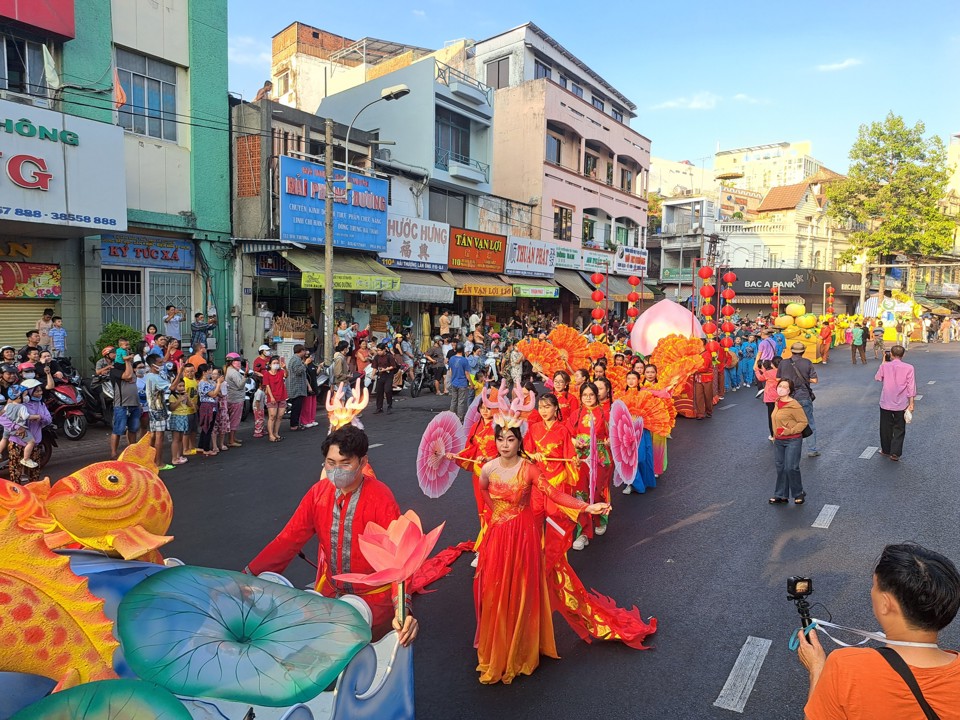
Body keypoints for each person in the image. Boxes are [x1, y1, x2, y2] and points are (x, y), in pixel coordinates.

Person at [474, 419, 653, 684]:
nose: (504, 445)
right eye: (500, 439)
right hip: (499, 537)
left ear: (519, 442)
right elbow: (485, 496)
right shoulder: (487, 469)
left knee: (522, 588)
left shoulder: (530, 470)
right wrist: (503, 516)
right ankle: (499, 644)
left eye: (510, 439)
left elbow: (556, 495)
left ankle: (521, 648)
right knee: (496, 588)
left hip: (524, 539)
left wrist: (586, 508)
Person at [245, 425, 418, 645]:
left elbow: (399, 559)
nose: (336, 470)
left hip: (375, 601)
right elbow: (288, 540)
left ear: (363, 463)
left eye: (345, 464)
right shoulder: (318, 493)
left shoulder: (381, 497)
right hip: (332, 596)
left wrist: (402, 610)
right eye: (331, 463)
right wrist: (247, 577)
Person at [797, 543, 960, 719]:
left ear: (885, 604)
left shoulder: (846, 668)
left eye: (874, 585)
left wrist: (817, 670)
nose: (871, 591)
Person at [568, 382, 611, 550]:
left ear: (597, 396)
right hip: (580, 458)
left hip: (599, 457)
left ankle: (601, 519)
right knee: (581, 493)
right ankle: (583, 532)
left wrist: (608, 440)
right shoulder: (575, 414)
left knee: (597, 490)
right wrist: (574, 442)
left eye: (591, 395)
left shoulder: (605, 413)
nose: (588, 398)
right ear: (580, 397)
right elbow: (568, 434)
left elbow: (612, 434)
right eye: (584, 395)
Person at [1, 379, 50, 483]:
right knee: (15, 473)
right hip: (16, 442)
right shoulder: (16, 404)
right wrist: (17, 427)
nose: (40, 393)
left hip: (34, 442)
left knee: (35, 472)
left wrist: (41, 417)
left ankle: (33, 495)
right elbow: (2, 418)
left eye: (40, 391)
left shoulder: (41, 405)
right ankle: (18, 497)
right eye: (37, 391)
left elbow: (49, 419)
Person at [777, 341, 820, 458]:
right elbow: (815, 380)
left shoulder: (783, 362)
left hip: (788, 397)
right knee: (808, 422)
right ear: (803, 351)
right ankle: (812, 449)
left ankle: (789, 448)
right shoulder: (807, 362)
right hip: (803, 396)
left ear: (791, 351)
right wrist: (805, 380)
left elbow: (778, 378)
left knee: (787, 423)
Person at [769, 378, 808, 505]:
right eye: (780, 386)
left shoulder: (794, 405)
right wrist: (775, 435)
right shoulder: (777, 402)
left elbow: (803, 422)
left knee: (791, 467)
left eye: (785, 387)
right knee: (781, 467)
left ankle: (799, 493)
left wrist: (789, 431)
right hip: (779, 440)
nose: (781, 389)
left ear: (790, 390)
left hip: (793, 440)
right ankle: (781, 495)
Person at [874, 345, 916, 462]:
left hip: (886, 401)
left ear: (890, 354)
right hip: (901, 403)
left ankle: (886, 449)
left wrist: (883, 362)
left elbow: (878, 378)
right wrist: (911, 403)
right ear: (903, 355)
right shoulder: (909, 368)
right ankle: (895, 453)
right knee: (899, 428)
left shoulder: (885, 366)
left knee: (885, 427)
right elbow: (911, 386)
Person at [144, 355, 176, 471]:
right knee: (159, 436)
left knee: (153, 436)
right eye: (160, 362)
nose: (162, 364)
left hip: (152, 409)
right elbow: (172, 387)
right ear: (153, 365)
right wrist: (180, 372)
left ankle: (150, 460)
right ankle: (158, 462)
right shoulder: (155, 378)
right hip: (158, 409)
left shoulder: (149, 376)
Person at [109, 351, 141, 460]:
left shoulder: (133, 369)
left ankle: (132, 452)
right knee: (118, 429)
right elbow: (127, 376)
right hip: (122, 405)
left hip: (134, 404)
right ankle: (114, 453)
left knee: (133, 429)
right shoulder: (114, 371)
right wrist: (127, 361)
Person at [0, 384, 39, 467]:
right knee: (31, 442)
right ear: (18, 397)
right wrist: (37, 416)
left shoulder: (8, 405)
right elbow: (26, 416)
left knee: (4, 439)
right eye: (25, 395)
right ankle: (26, 459)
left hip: (7, 428)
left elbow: (4, 415)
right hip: (17, 429)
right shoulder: (22, 407)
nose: (26, 397)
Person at [167, 375, 195, 465]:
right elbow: (171, 408)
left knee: (181, 438)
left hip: (184, 416)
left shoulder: (184, 395)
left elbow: (190, 405)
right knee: (176, 439)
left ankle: (179, 455)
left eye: (183, 386)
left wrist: (187, 399)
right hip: (176, 416)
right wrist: (179, 400)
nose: (182, 388)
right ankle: (174, 458)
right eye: (180, 386)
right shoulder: (172, 396)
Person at [196, 364, 221, 456]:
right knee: (208, 427)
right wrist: (218, 383)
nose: (211, 372)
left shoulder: (209, 382)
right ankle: (206, 448)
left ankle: (201, 446)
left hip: (211, 406)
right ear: (204, 372)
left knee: (206, 427)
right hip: (207, 406)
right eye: (209, 370)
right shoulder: (203, 383)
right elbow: (213, 394)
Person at [756, 356, 783, 441]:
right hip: (781, 397)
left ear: (772, 364)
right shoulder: (783, 372)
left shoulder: (769, 372)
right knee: (781, 416)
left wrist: (757, 370)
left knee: (771, 416)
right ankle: (782, 433)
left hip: (770, 398)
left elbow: (761, 378)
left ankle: (773, 434)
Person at [262, 355, 287, 442]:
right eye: (274, 363)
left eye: (277, 363)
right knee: (272, 416)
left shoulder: (280, 372)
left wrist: (285, 367)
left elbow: (286, 375)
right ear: (270, 365)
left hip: (282, 396)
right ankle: (271, 435)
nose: (276, 364)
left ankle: (276, 433)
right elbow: (267, 386)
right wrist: (271, 397)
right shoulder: (266, 374)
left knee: (280, 416)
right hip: (272, 397)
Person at [223, 352, 246, 447]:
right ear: (231, 362)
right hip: (236, 399)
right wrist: (245, 377)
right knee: (234, 420)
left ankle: (232, 438)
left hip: (231, 398)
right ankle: (231, 440)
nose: (239, 363)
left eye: (239, 361)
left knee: (232, 419)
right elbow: (240, 385)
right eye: (237, 361)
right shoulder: (234, 372)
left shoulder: (229, 370)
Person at [285, 344, 308, 432]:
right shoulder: (296, 360)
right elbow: (298, 371)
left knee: (297, 407)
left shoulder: (296, 359)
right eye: (304, 350)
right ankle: (294, 425)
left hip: (296, 387)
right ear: (301, 351)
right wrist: (305, 364)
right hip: (296, 387)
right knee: (296, 407)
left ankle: (295, 423)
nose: (305, 352)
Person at [448, 344, 471, 421]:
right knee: (461, 402)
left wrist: (452, 379)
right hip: (462, 383)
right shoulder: (464, 360)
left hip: (454, 382)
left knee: (453, 400)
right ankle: (459, 419)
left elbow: (450, 371)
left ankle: (451, 417)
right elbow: (467, 374)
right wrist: (471, 383)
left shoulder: (451, 359)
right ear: (463, 350)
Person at [371, 342, 396, 414]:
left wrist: (385, 369)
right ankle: (379, 407)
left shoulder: (389, 356)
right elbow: (375, 367)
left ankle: (389, 406)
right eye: (377, 350)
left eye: (380, 350)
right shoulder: (376, 357)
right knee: (379, 392)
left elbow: (393, 366)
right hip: (380, 375)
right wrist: (372, 375)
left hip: (388, 375)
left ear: (384, 350)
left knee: (387, 390)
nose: (378, 352)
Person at [693, 342, 715, 419]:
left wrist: (692, 369)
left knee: (708, 396)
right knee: (698, 396)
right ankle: (700, 413)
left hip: (707, 378)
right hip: (698, 378)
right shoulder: (697, 354)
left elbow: (704, 368)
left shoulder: (707, 354)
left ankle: (709, 411)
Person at [300, 351, 320, 429]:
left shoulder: (312, 364)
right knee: (307, 406)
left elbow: (316, 373)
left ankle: (311, 419)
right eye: (308, 356)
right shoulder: (303, 365)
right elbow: (304, 377)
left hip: (314, 385)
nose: (310, 357)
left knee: (313, 405)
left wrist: (319, 367)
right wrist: (308, 386)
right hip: (308, 387)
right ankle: (305, 421)